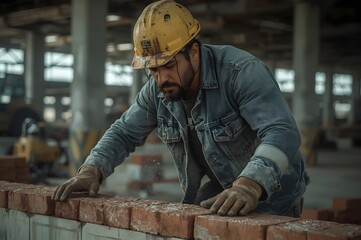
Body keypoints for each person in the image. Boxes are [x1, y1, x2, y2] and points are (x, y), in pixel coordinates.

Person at [52, 0, 310, 217]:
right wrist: (91, 170)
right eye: (153, 69)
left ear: (194, 52)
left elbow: (282, 132)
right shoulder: (157, 90)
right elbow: (123, 132)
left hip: (273, 197)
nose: (161, 78)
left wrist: (250, 185)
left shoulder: (241, 73)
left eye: (168, 65)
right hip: (217, 192)